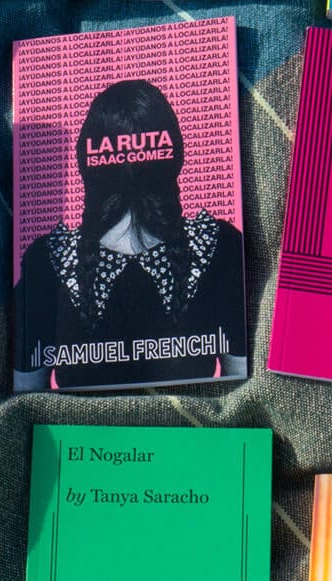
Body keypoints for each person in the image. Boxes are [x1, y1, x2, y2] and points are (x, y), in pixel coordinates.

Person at [13, 79, 246, 390]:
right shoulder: (220, 246)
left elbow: (26, 401)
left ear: (87, 162)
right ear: (174, 155)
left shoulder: (47, 259)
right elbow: (241, 391)